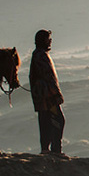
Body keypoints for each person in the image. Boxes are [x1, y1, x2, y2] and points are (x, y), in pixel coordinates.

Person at [29, 29, 66, 158]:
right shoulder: (41, 56)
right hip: (47, 97)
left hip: (43, 95)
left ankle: (47, 148)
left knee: (46, 121)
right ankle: (55, 150)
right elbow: (48, 77)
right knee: (57, 120)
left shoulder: (38, 54)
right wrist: (56, 94)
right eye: (48, 39)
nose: (50, 41)